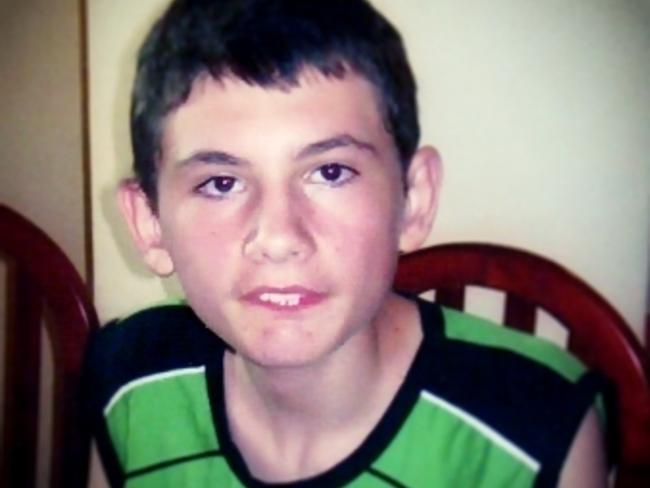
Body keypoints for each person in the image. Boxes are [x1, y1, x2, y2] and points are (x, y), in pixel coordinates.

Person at [83, 0, 608, 486]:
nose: (279, 239)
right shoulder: (129, 382)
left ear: (415, 198)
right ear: (149, 222)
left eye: (331, 172)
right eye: (220, 183)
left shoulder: (535, 429)